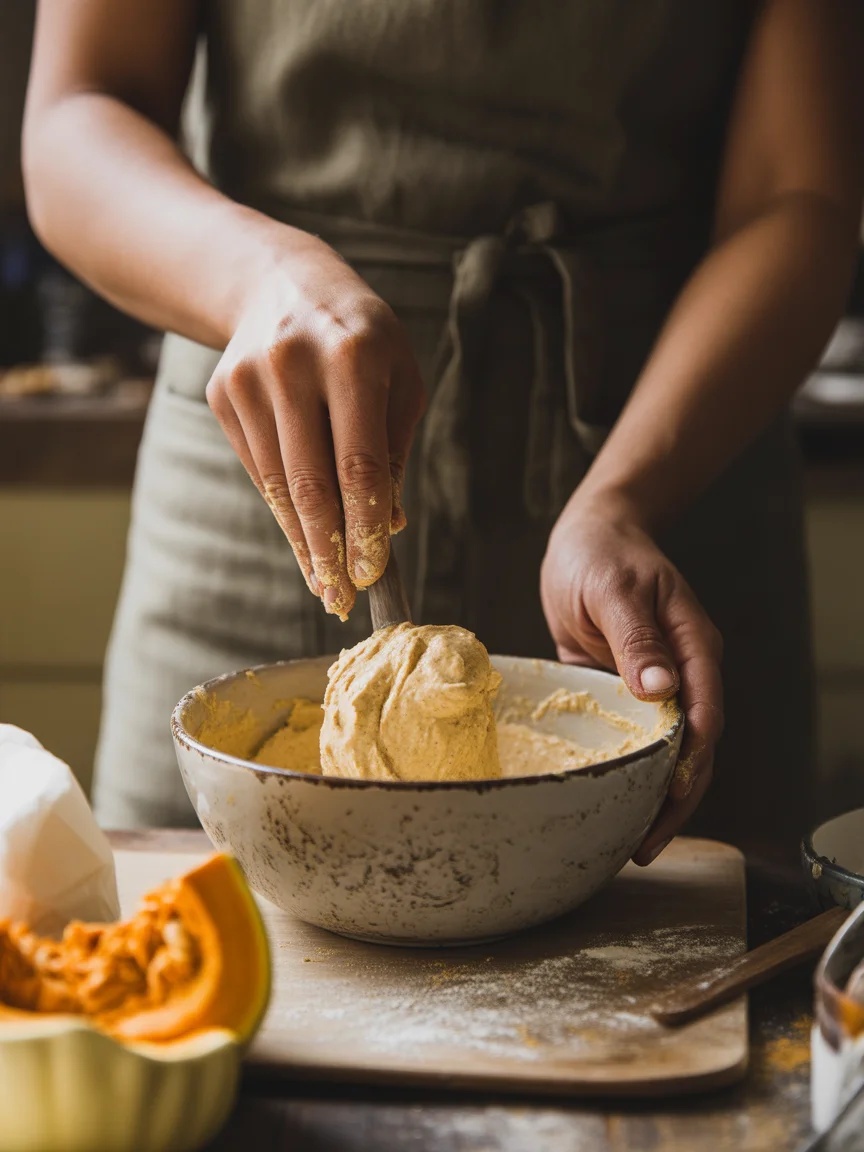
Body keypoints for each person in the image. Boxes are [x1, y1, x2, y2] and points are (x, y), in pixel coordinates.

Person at [22, 0, 864, 860]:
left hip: (677, 441)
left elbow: (797, 193)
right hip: (266, 445)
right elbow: (78, 113)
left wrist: (623, 500)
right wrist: (260, 276)